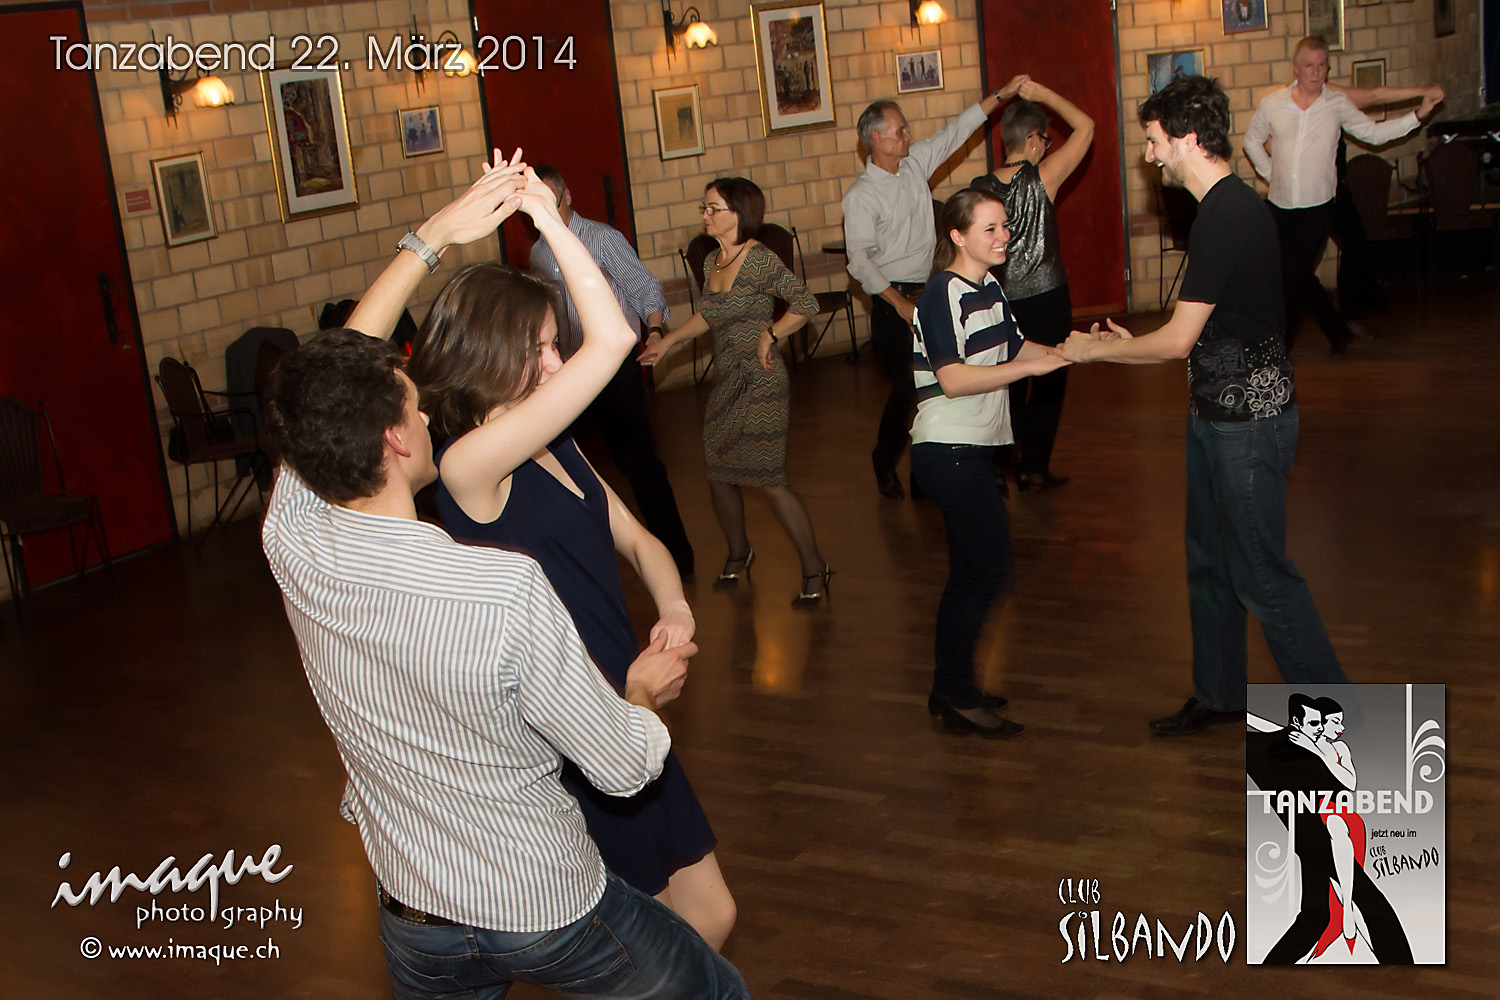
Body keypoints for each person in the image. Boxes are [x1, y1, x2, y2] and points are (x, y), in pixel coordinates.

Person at [261, 155, 748, 998]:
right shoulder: (494, 586)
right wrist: (638, 692)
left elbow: (328, 387)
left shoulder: (293, 542)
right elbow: (620, 761)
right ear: (396, 440)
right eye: (411, 403)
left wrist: (432, 238)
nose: (426, 405)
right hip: (535, 898)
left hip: (418, 912)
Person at [1060, 76, 1350, 735]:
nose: (1149, 154)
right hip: (1217, 413)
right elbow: (1203, 326)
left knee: (1263, 576)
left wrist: (1094, 352)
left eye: (1154, 141)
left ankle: (1345, 731)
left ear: (1188, 139)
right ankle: (1220, 692)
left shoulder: (1225, 216)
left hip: (1249, 425)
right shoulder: (1223, 208)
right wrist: (1127, 344)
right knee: (1210, 560)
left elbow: (1177, 341)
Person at [912, 189, 1070, 738]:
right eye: (990, 228)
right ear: (957, 236)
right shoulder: (942, 292)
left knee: (969, 576)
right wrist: (1029, 370)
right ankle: (958, 696)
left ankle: (950, 688)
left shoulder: (990, 287)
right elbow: (953, 379)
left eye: (1005, 226)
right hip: (948, 450)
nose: (1004, 236)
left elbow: (1018, 347)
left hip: (972, 450)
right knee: (990, 574)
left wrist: (1074, 351)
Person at [639, 177, 831, 605]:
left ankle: (814, 567)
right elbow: (709, 313)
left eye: (713, 209)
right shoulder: (713, 261)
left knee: (770, 479)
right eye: (704, 208)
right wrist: (668, 341)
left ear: (738, 213)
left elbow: (806, 303)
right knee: (719, 472)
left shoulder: (759, 259)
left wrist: (771, 334)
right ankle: (740, 552)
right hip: (726, 378)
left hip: (762, 378)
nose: (705, 216)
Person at [842, 76, 1027, 499]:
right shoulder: (861, 196)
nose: (909, 135)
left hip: (931, 292)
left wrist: (1000, 96)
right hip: (892, 299)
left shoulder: (914, 165)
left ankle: (932, 471)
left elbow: (956, 131)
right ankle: (884, 459)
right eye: (900, 130)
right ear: (876, 138)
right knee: (909, 388)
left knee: (942, 382)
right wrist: (900, 306)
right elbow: (860, 261)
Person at [528, 164, 696, 578]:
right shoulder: (538, 253)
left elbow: (646, 289)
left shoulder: (603, 239)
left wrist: (654, 331)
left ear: (567, 196)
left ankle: (678, 557)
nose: (543, 210)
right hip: (570, 371)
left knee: (639, 462)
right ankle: (580, 564)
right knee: (565, 463)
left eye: (549, 200)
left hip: (613, 370)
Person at [1244, 36, 1443, 354]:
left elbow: (1374, 134)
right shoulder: (1273, 104)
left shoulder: (1336, 104)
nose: (1315, 72)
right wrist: (1272, 173)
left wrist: (1418, 115)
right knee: (1296, 275)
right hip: (1279, 206)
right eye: (1309, 65)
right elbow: (1252, 141)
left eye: (1321, 65)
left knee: (1293, 279)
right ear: (1296, 68)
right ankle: (1337, 332)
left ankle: (1276, 351)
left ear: (1327, 68)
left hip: (1317, 207)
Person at [970, 77, 1094, 491]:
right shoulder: (1043, 177)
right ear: (1034, 139)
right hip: (1046, 298)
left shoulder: (978, 190)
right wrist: (1043, 95)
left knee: (1005, 382)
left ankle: (1001, 464)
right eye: (1045, 140)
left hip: (998, 300)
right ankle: (1033, 468)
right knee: (1049, 379)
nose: (1047, 147)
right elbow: (1087, 126)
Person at [1246, 694, 1412, 963]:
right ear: (1297, 723)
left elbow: (1349, 783)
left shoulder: (1319, 746)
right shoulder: (1288, 743)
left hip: (1327, 831)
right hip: (1321, 835)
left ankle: (1275, 963)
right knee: (1361, 904)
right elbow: (1269, 729)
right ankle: (1400, 962)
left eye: (1322, 723)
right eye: (1315, 723)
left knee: (1319, 913)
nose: (1321, 728)